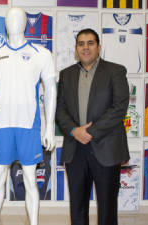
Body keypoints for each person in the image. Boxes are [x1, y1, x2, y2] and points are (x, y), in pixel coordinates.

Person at [0, 7, 56, 225]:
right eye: (10, 18)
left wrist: (49, 126)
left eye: (19, 18)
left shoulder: (41, 54)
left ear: (25, 23)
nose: (14, 22)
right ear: (5, 23)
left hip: (29, 125)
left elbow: (51, 89)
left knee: (31, 179)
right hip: (2, 125)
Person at [56, 28, 130, 225]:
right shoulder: (66, 74)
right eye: (81, 44)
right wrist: (74, 131)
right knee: (77, 208)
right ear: (76, 49)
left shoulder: (116, 71)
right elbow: (60, 111)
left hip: (106, 148)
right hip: (75, 150)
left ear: (99, 47)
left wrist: (89, 132)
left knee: (107, 209)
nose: (85, 48)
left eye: (90, 43)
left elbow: (119, 108)